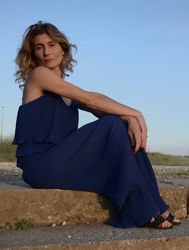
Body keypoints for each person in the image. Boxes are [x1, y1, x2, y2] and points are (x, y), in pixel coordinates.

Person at [13, 21, 180, 229]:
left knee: (118, 124)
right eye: (39, 47)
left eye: (52, 44)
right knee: (111, 124)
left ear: (63, 49)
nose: (46, 51)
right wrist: (135, 113)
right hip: (40, 164)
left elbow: (99, 108)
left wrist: (128, 120)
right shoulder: (38, 75)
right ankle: (141, 208)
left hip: (60, 160)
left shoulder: (65, 91)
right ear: (34, 53)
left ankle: (158, 206)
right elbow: (90, 99)